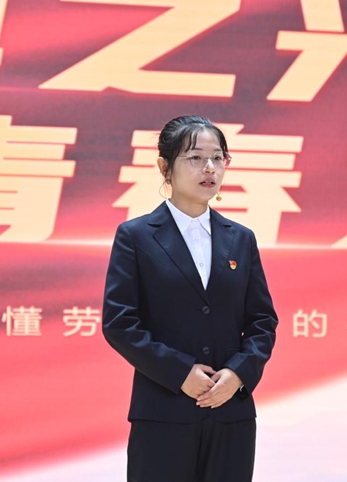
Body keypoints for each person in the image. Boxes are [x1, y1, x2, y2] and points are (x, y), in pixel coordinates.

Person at [102, 115, 278, 482]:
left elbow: (262, 321)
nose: (209, 168)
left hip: (230, 413)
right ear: (164, 167)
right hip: (163, 412)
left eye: (218, 158)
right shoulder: (136, 236)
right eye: (195, 157)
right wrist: (180, 373)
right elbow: (120, 324)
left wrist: (239, 374)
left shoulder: (241, 238)